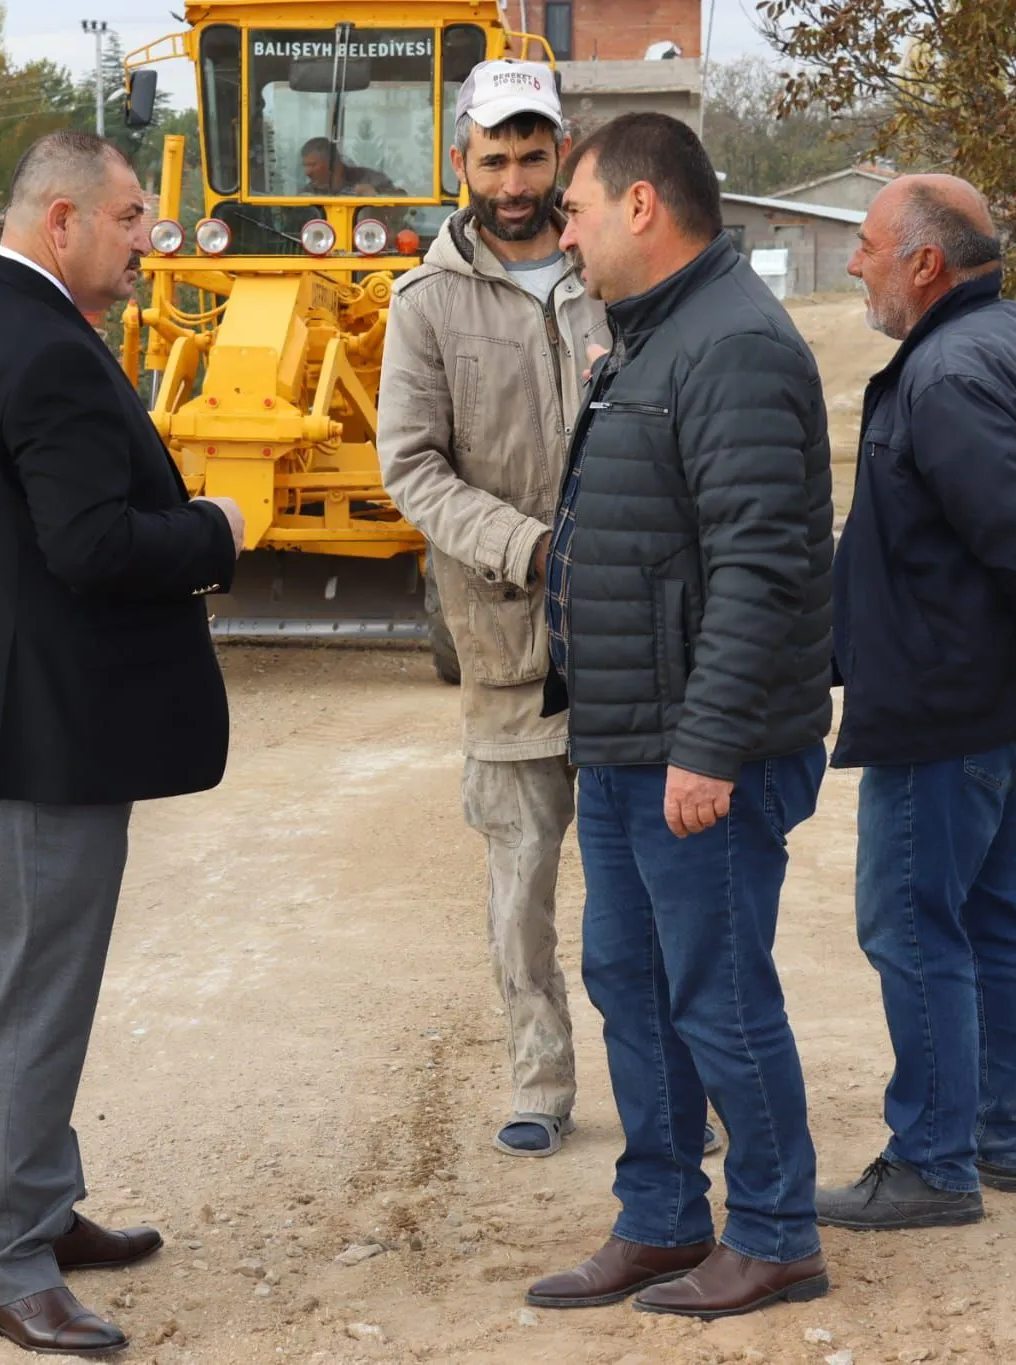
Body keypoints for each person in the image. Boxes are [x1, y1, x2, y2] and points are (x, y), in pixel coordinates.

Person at [0, 130, 247, 1356]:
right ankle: (5, 1266)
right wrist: (213, 528)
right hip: (41, 736)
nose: (148, 241)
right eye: (132, 217)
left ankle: (40, 1211)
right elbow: (90, 547)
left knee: (29, 984)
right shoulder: (45, 352)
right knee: (32, 1000)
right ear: (60, 221)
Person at [526, 112, 836, 1319]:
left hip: (695, 750)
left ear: (641, 206)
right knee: (630, 978)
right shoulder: (650, 335)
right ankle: (661, 1221)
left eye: (575, 209)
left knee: (713, 989)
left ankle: (773, 1232)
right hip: (619, 736)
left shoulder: (734, 345)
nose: (563, 231)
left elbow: (761, 562)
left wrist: (705, 747)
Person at [820, 178, 1016, 1231]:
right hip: (1002, 703)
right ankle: (1003, 1138)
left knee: (910, 926)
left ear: (924, 263)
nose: (854, 264)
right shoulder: (1010, 338)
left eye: (863, 247)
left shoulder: (945, 372)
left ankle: (933, 1162)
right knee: (992, 917)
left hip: (954, 707)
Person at [377, 60, 616, 1160]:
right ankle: (538, 1080)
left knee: (644, 890)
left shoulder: (611, 273)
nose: (513, 180)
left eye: (531, 155)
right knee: (520, 885)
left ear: (558, 152)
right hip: (507, 635)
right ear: (458, 160)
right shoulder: (424, 304)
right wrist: (525, 548)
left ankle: (678, 1080)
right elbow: (411, 467)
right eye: (493, 157)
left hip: (626, 636)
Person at [299, 137, 400, 197]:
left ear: (333, 164)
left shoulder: (371, 180)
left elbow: (402, 204)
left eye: (312, 165)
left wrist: (376, 198)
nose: (307, 172)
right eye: (305, 166)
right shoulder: (308, 193)